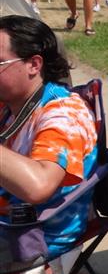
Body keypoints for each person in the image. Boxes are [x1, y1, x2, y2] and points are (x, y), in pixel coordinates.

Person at [0, 15, 97, 257]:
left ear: (34, 64)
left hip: (33, 237)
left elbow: (39, 186)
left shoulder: (63, 114)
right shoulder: (12, 104)